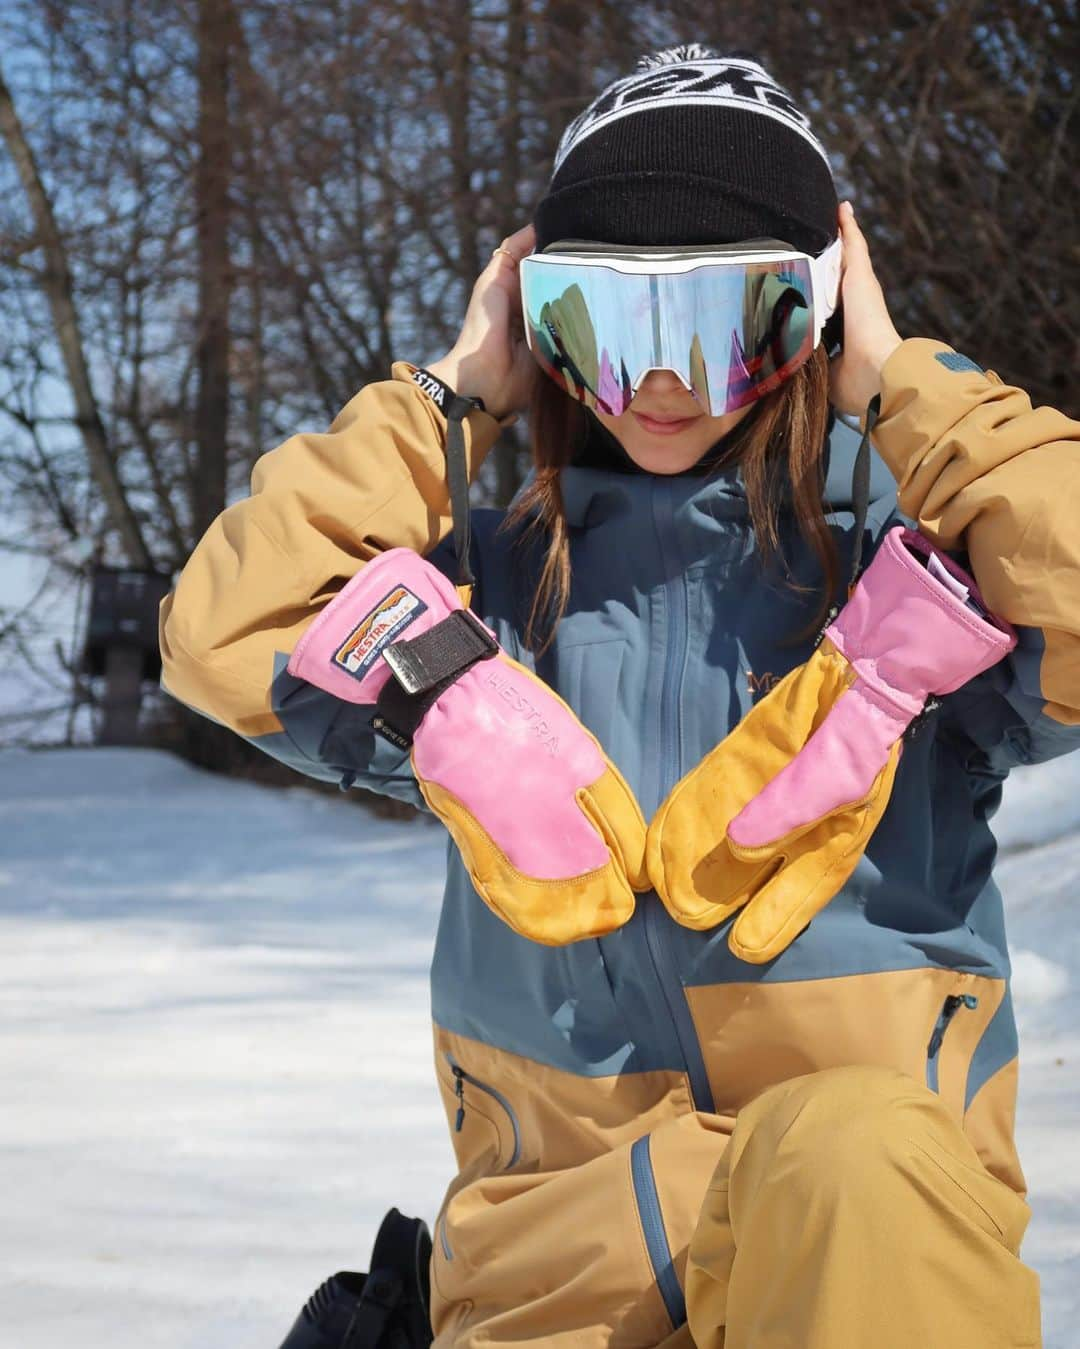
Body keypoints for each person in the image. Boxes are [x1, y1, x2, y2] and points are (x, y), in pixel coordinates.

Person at [159, 45, 1080, 1349]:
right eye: (604, 323)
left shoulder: (918, 604)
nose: (659, 383)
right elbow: (222, 625)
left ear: (810, 318)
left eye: (723, 322)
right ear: (541, 328)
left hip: (861, 1266)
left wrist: (893, 375)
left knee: (857, 1149)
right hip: (548, 1290)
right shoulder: (477, 597)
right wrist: (451, 390)